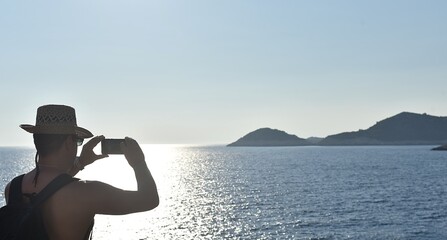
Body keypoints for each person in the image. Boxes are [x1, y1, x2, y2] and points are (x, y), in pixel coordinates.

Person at [3, 104, 159, 240]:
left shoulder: (13, 188)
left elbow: (50, 191)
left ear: (36, 140)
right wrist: (139, 163)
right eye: (78, 140)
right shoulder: (86, 192)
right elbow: (149, 199)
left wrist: (80, 163)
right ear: (68, 143)